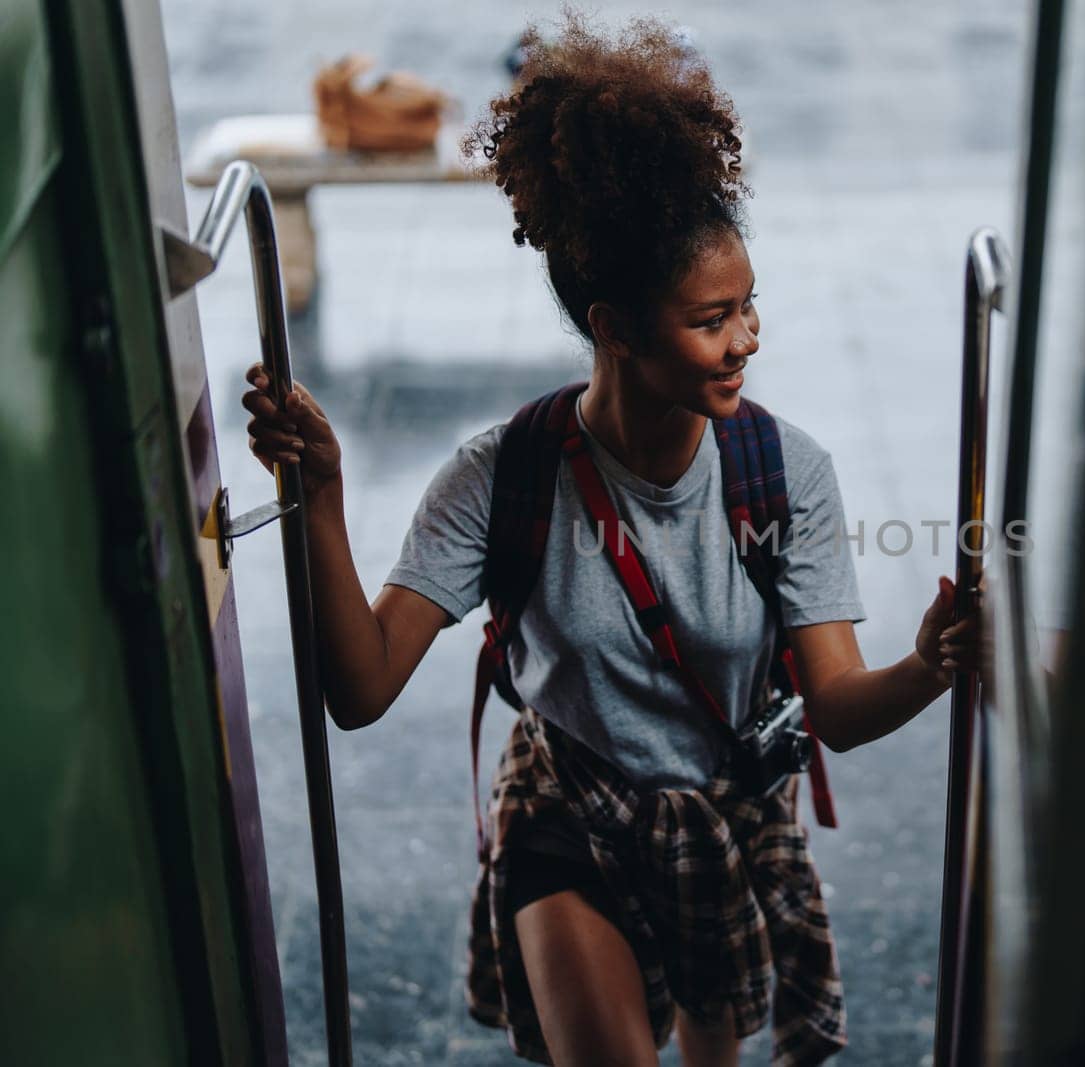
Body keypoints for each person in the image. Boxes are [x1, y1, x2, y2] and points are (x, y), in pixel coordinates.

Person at [241, 14, 980, 1067]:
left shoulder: (784, 473)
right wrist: (321, 493)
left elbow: (838, 709)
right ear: (615, 327)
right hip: (566, 814)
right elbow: (358, 691)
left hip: (719, 825)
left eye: (749, 306)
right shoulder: (504, 476)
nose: (747, 340)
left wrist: (930, 662)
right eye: (711, 318)